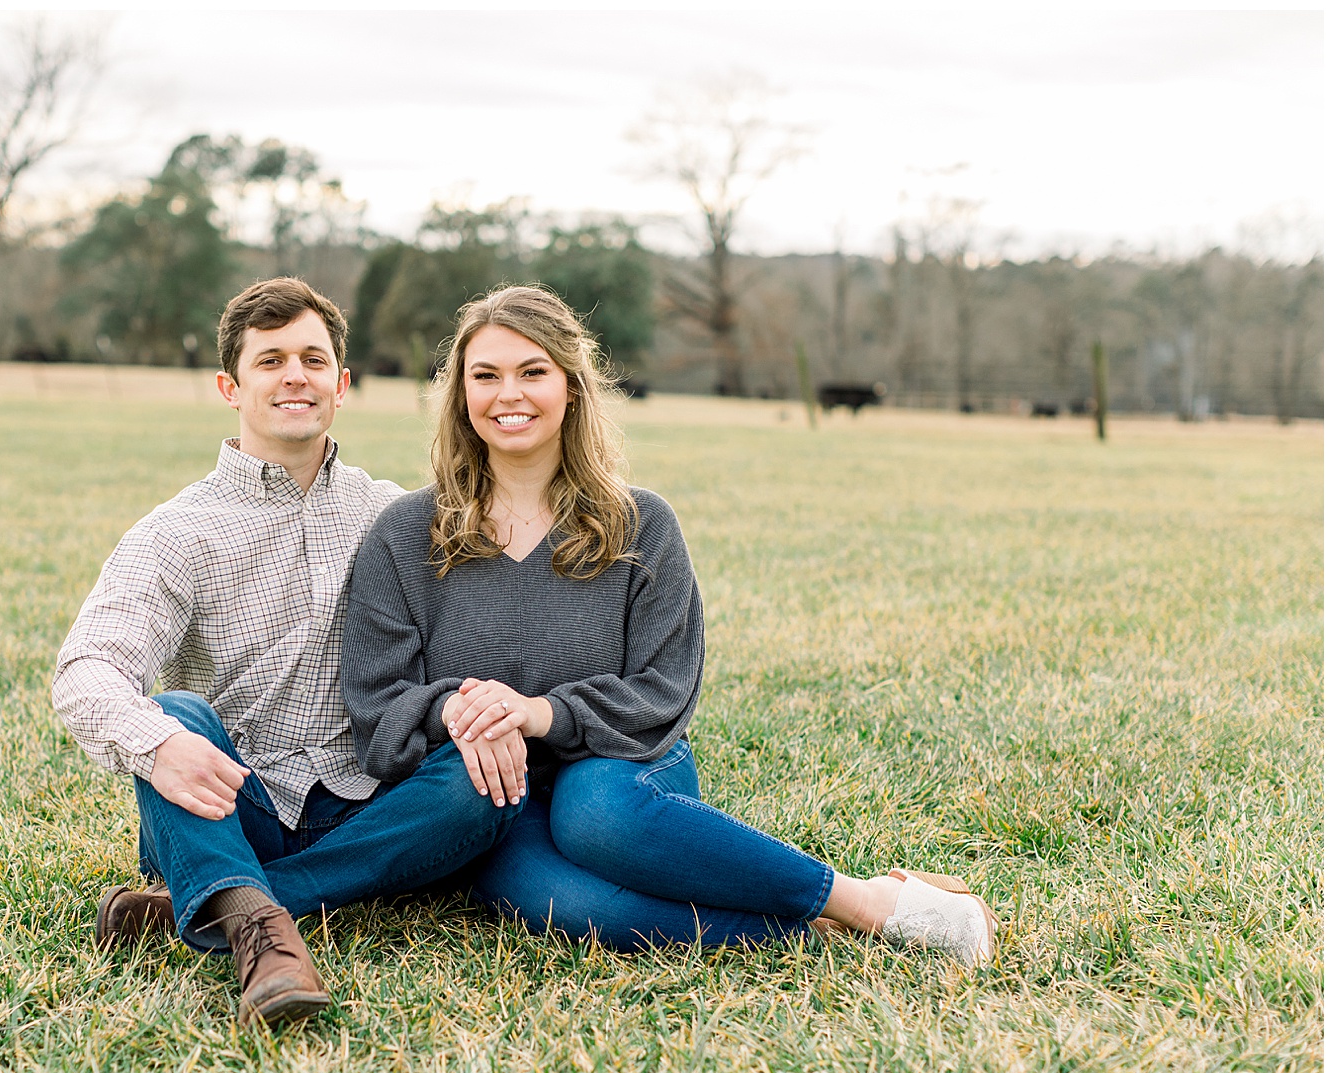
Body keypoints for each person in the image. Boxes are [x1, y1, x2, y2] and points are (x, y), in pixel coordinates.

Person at [342, 285, 999, 964]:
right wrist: (461, 712)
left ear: (571, 386)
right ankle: (815, 927)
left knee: (595, 815)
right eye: (487, 376)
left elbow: (665, 691)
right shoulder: (405, 535)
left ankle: (866, 901)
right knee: (569, 905)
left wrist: (540, 713)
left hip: (623, 767)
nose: (510, 393)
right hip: (490, 797)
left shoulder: (642, 525)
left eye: (533, 371)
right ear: (460, 396)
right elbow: (377, 711)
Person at [53, 278, 522, 1029]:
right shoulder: (177, 533)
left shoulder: (397, 515)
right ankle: (260, 936)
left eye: (312, 358)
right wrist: (160, 743)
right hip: (233, 801)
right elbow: (87, 673)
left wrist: (482, 702)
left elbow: (475, 632)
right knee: (174, 713)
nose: (294, 375)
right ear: (229, 387)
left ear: (341, 384)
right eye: (270, 360)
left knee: (483, 778)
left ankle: (217, 896)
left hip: (370, 802)